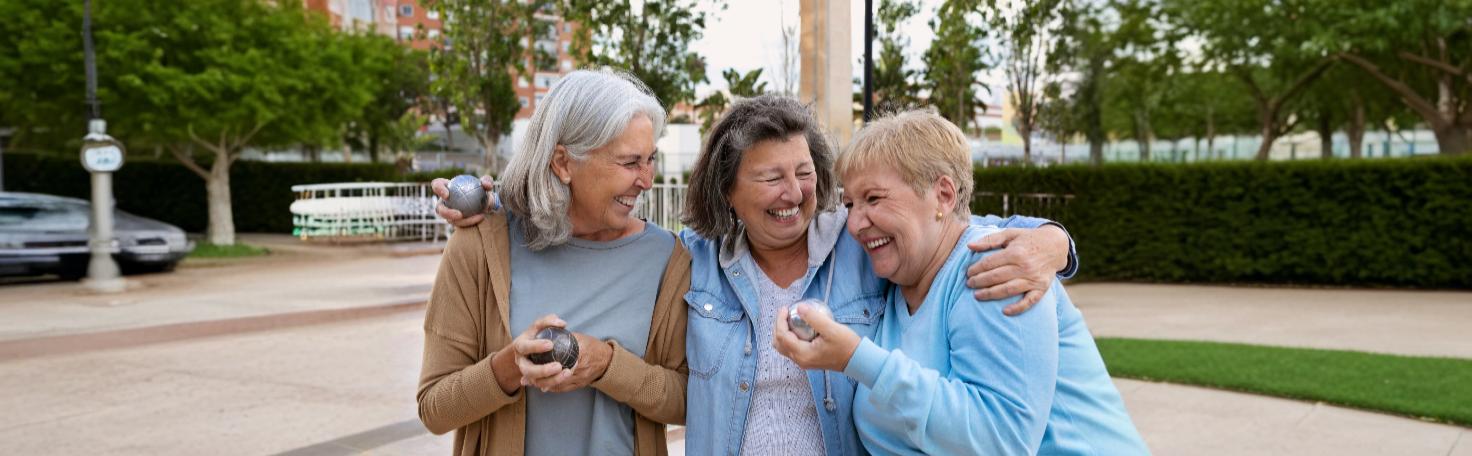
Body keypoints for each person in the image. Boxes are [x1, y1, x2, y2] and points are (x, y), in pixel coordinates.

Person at [434, 95, 1080, 455]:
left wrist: (1053, 241)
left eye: (804, 174)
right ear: (728, 191)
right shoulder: (692, 262)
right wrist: (500, 202)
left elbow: (953, 220)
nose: (794, 194)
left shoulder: (859, 243)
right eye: (771, 178)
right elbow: (591, 222)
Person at [774, 111, 1149, 455]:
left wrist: (855, 358)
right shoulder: (896, 283)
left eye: (874, 199)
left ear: (944, 195)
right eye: (850, 204)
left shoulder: (996, 266)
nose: (855, 224)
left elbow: (1001, 441)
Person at [416, 69, 689, 456]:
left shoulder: (667, 258)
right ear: (563, 162)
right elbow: (435, 408)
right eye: (630, 163)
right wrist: (511, 366)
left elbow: (687, 399)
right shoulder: (481, 244)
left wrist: (606, 365)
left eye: (651, 160)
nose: (646, 181)